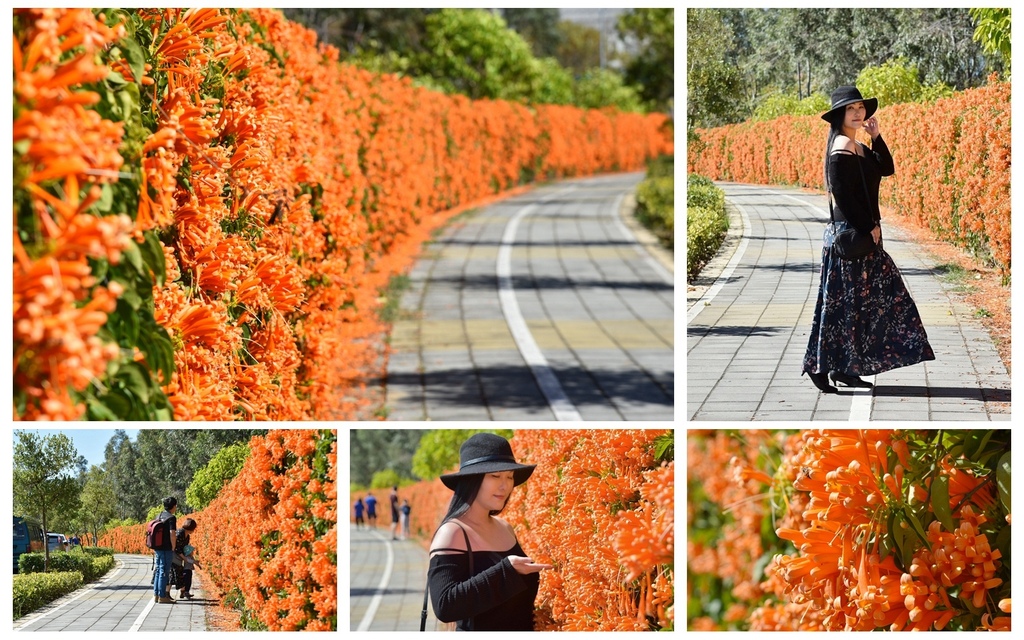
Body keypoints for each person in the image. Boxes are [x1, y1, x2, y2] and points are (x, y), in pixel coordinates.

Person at [802, 85, 934, 393]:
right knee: (838, 307)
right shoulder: (840, 147)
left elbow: (886, 168)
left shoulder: (857, 144)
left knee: (864, 305)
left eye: (861, 107)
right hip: (850, 237)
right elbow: (842, 196)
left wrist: (876, 136)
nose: (859, 113)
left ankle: (848, 368)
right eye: (851, 109)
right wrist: (867, 228)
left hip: (865, 235)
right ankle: (819, 367)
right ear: (839, 115)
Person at [427, 432, 552, 631]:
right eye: (495, 476)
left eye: (510, 477)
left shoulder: (505, 527)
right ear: (471, 479)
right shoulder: (453, 532)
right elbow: (445, 606)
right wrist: (506, 571)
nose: (505, 486)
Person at [153, 497, 178, 604]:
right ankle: (163, 596)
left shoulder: (158, 516)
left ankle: (156, 595)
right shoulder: (171, 518)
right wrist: (173, 546)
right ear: (173, 506)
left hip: (157, 547)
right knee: (164, 572)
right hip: (166, 548)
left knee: (158, 570)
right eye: (175, 505)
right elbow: (172, 533)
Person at [172, 518, 199, 599]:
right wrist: (185, 558)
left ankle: (184, 592)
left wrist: (192, 559)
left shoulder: (187, 536)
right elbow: (176, 548)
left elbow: (185, 548)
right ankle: (181, 591)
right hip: (174, 555)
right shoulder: (180, 533)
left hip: (181, 556)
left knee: (187, 572)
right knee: (177, 574)